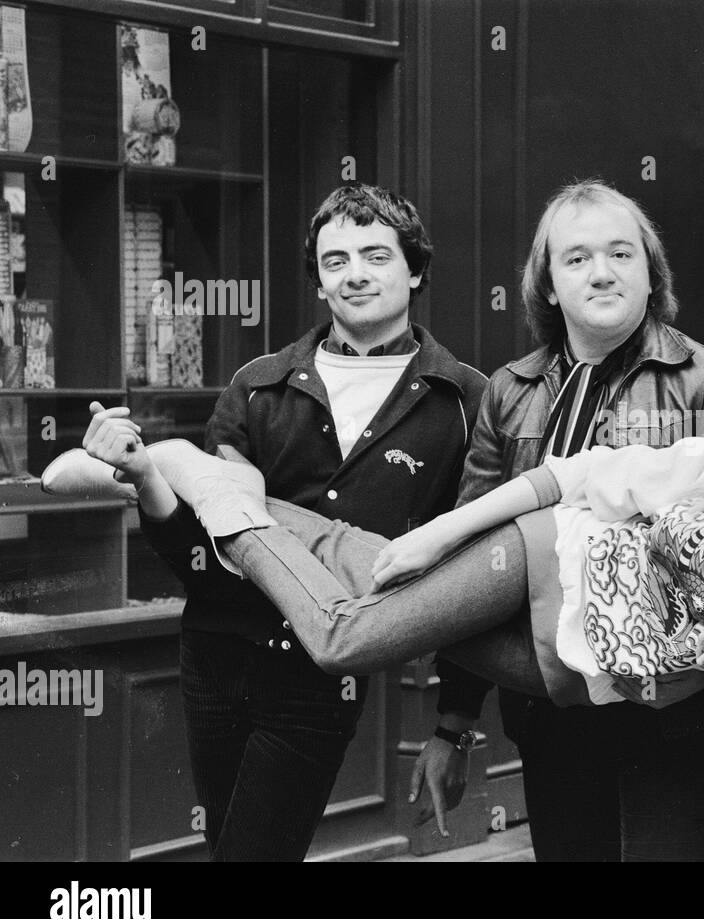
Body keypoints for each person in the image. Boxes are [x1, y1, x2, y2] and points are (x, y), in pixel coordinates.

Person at [54, 337, 704, 757]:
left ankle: (188, 472)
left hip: (573, 673)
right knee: (344, 638)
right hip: (548, 554)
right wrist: (443, 527)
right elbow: (574, 475)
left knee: (363, 569)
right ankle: (208, 487)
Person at [49, 184, 485, 861]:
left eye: (376, 255)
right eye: (335, 260)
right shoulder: (258, 385)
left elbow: (474, 571)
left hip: (322, 671)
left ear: (416, 269)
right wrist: (141, 476)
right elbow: (196, 547)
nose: (356, 274)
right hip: (215, 659)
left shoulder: (463, 399)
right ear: (318, 281)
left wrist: (454, 726)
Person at [422, 180, 704, 859]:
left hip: (681, 710)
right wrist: (454, 721)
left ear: (649, 270)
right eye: (576, 258)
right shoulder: (510, 393)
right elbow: (475, 561)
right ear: (547, 283)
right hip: (553, 704)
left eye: (620, 253)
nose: (602, 272)